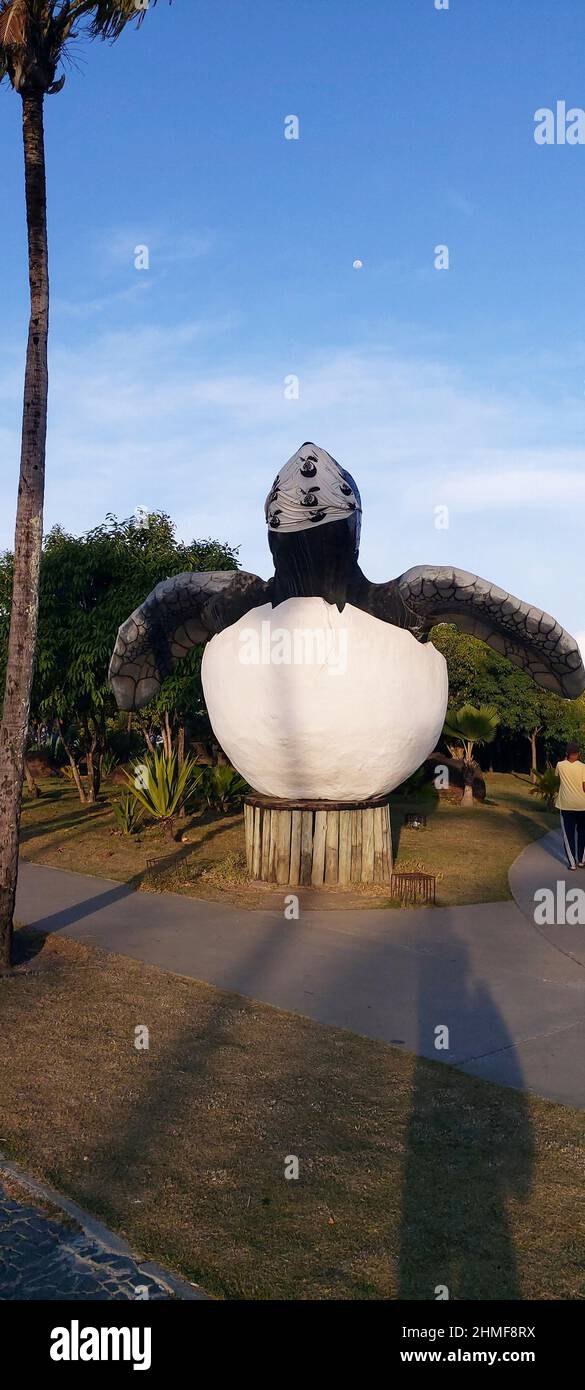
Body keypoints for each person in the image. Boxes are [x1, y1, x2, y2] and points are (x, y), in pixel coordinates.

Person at [555, 742, 585, 869]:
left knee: (569, 835)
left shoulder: (560, 765)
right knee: (583, 833)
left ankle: (572, 864)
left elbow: (558, 779)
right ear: (578, 753)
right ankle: (582, 861)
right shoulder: (583, 766)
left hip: (566, 805)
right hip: (582, 805)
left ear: (567, 753)